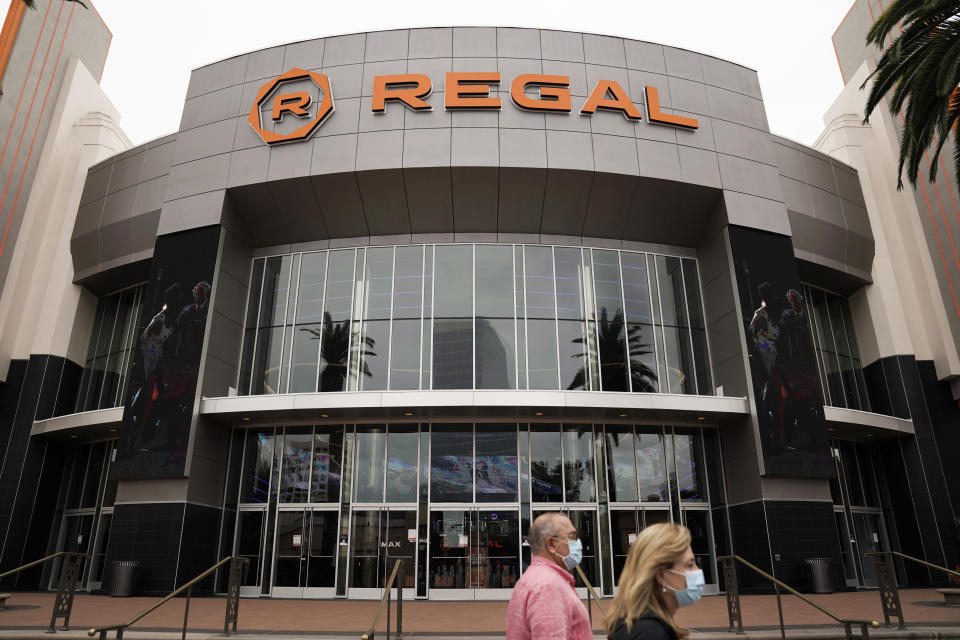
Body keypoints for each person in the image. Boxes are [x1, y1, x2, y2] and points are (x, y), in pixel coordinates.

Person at [605, 523, 704, 640]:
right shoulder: (650, 633)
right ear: (661, 575)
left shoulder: (636, 626)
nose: (697, 571)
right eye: (689, 564)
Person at [506, 512, 593, 640]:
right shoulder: (547, 586)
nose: (578, 543)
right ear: (551, 544)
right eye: (572, 536)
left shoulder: (535, 578)